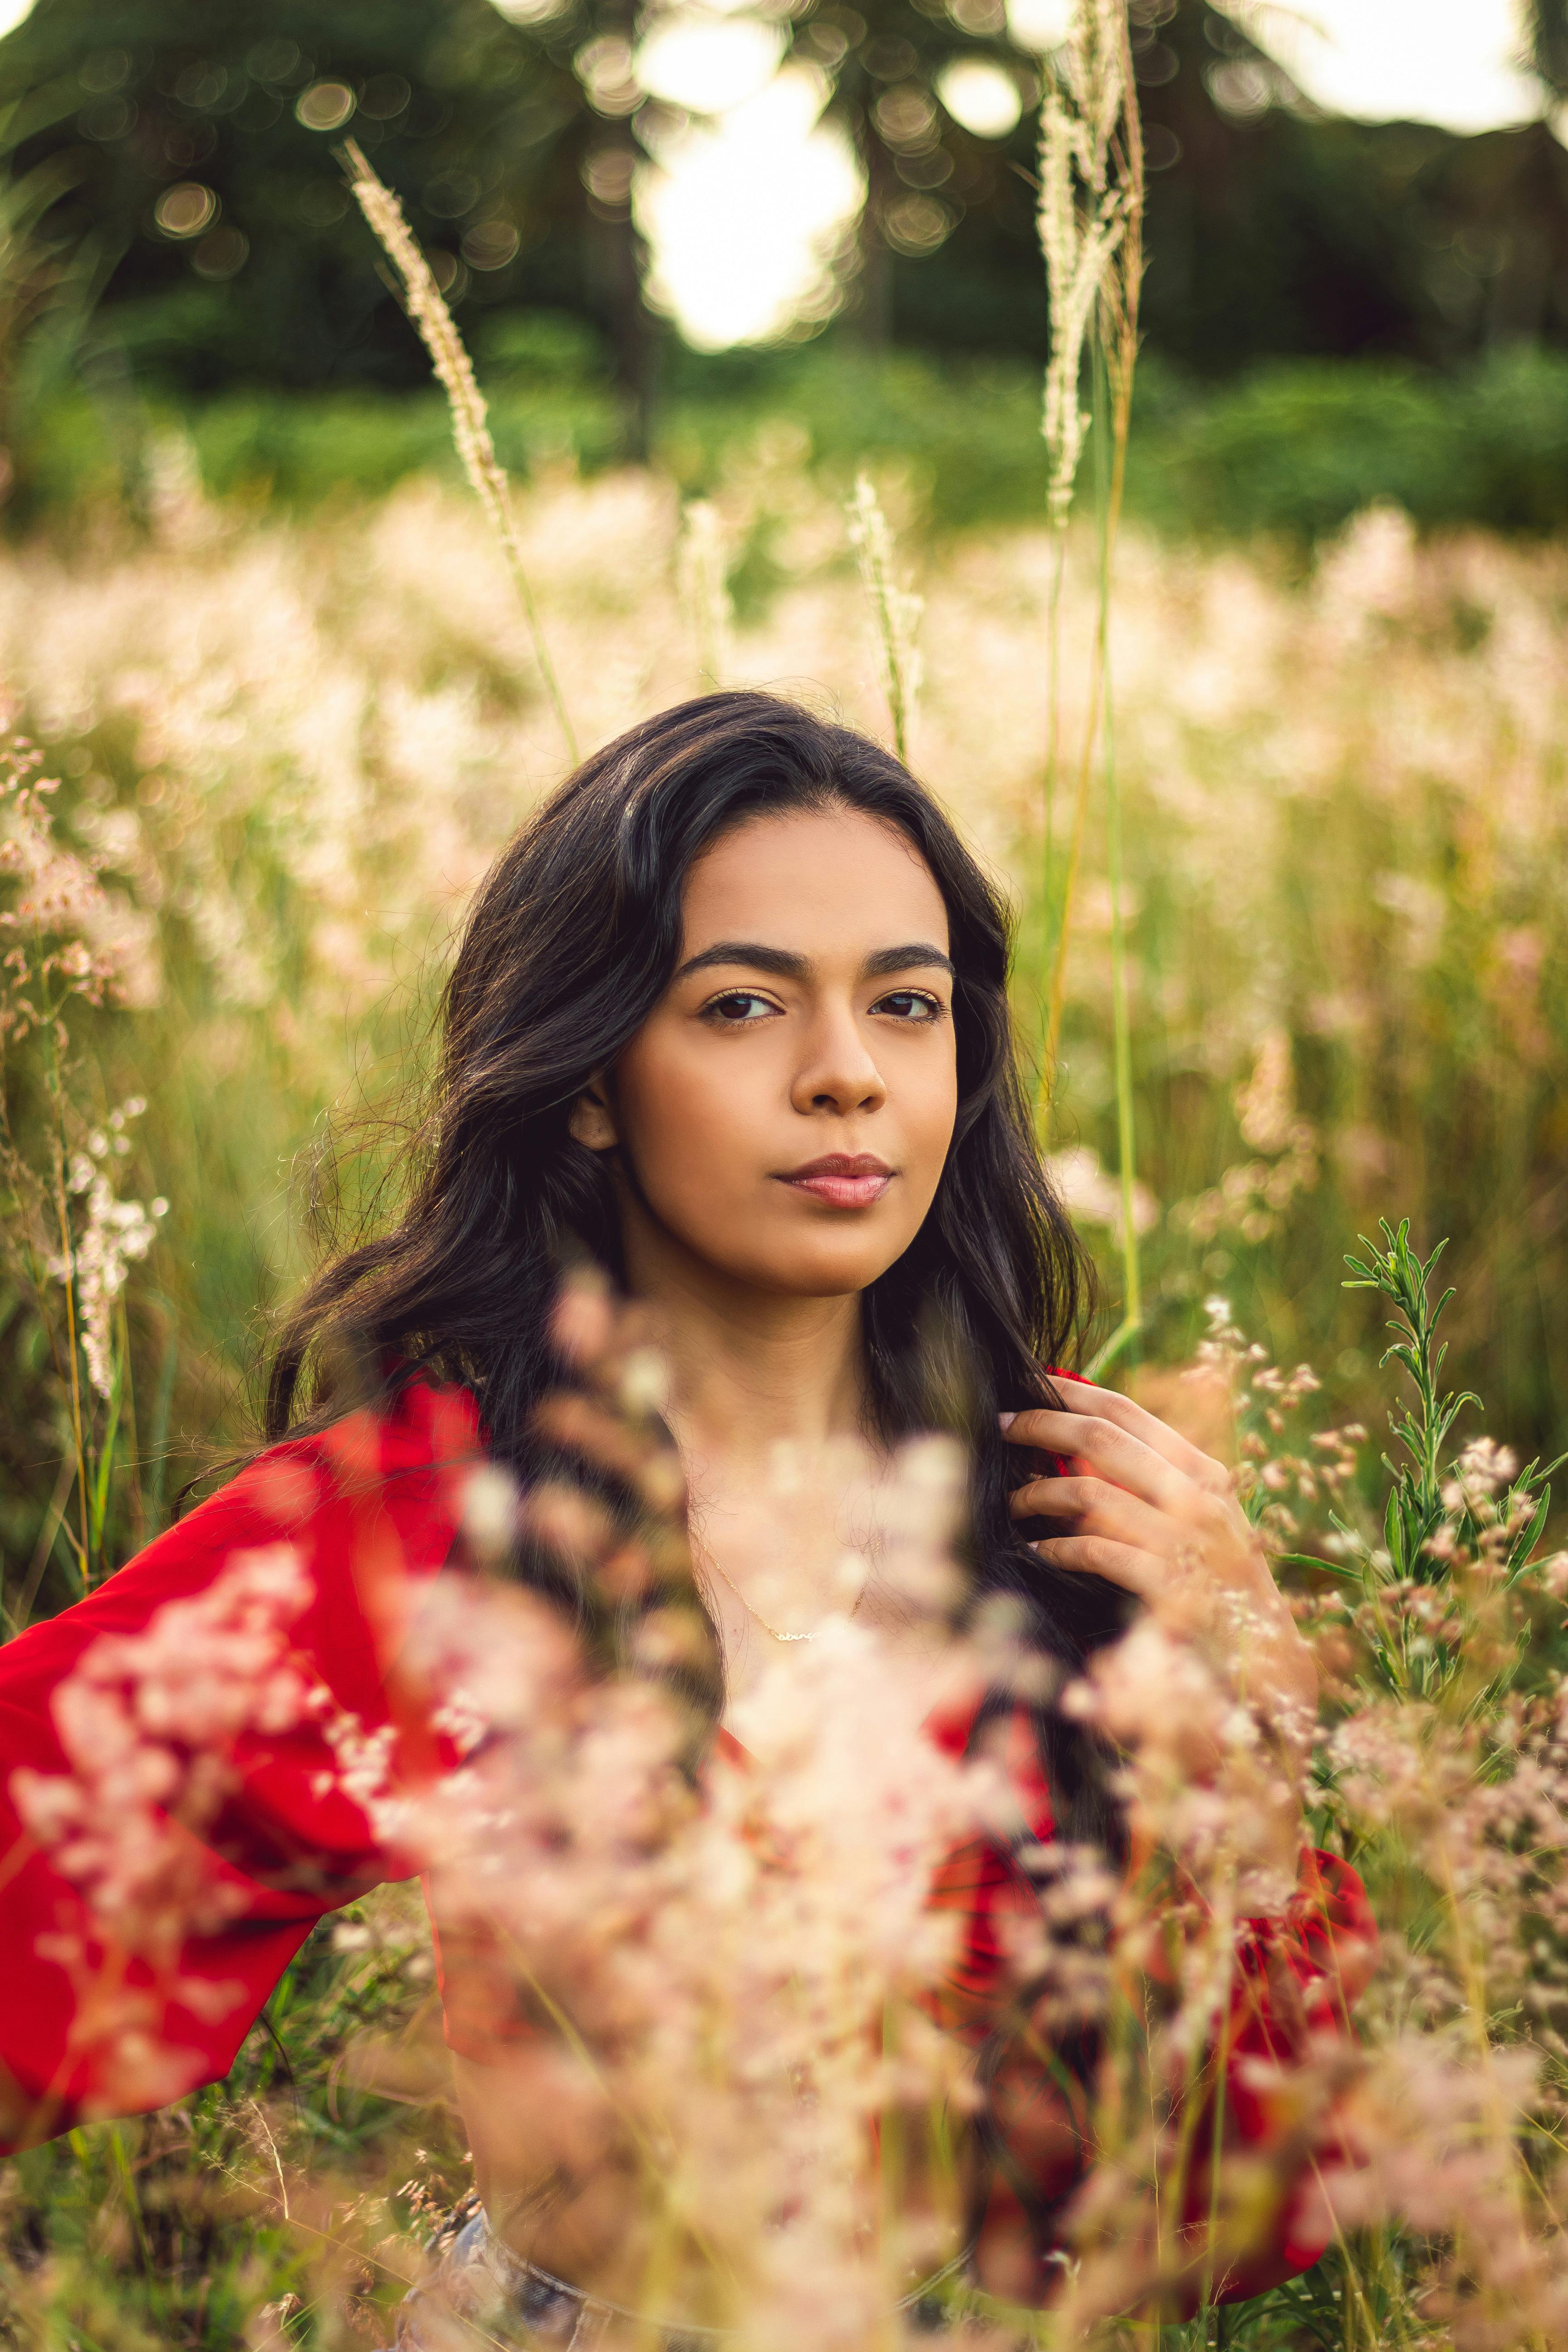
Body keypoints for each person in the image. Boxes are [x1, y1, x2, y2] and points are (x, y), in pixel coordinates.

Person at [0, 692, 1371, 2343]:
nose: (848, 1076)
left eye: (910, 1006)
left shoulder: (1070, 1509)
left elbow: (1271, 2197)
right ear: (588, 1083)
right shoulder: (420, 1530)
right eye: (740, 1005)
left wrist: (1246, 1713)